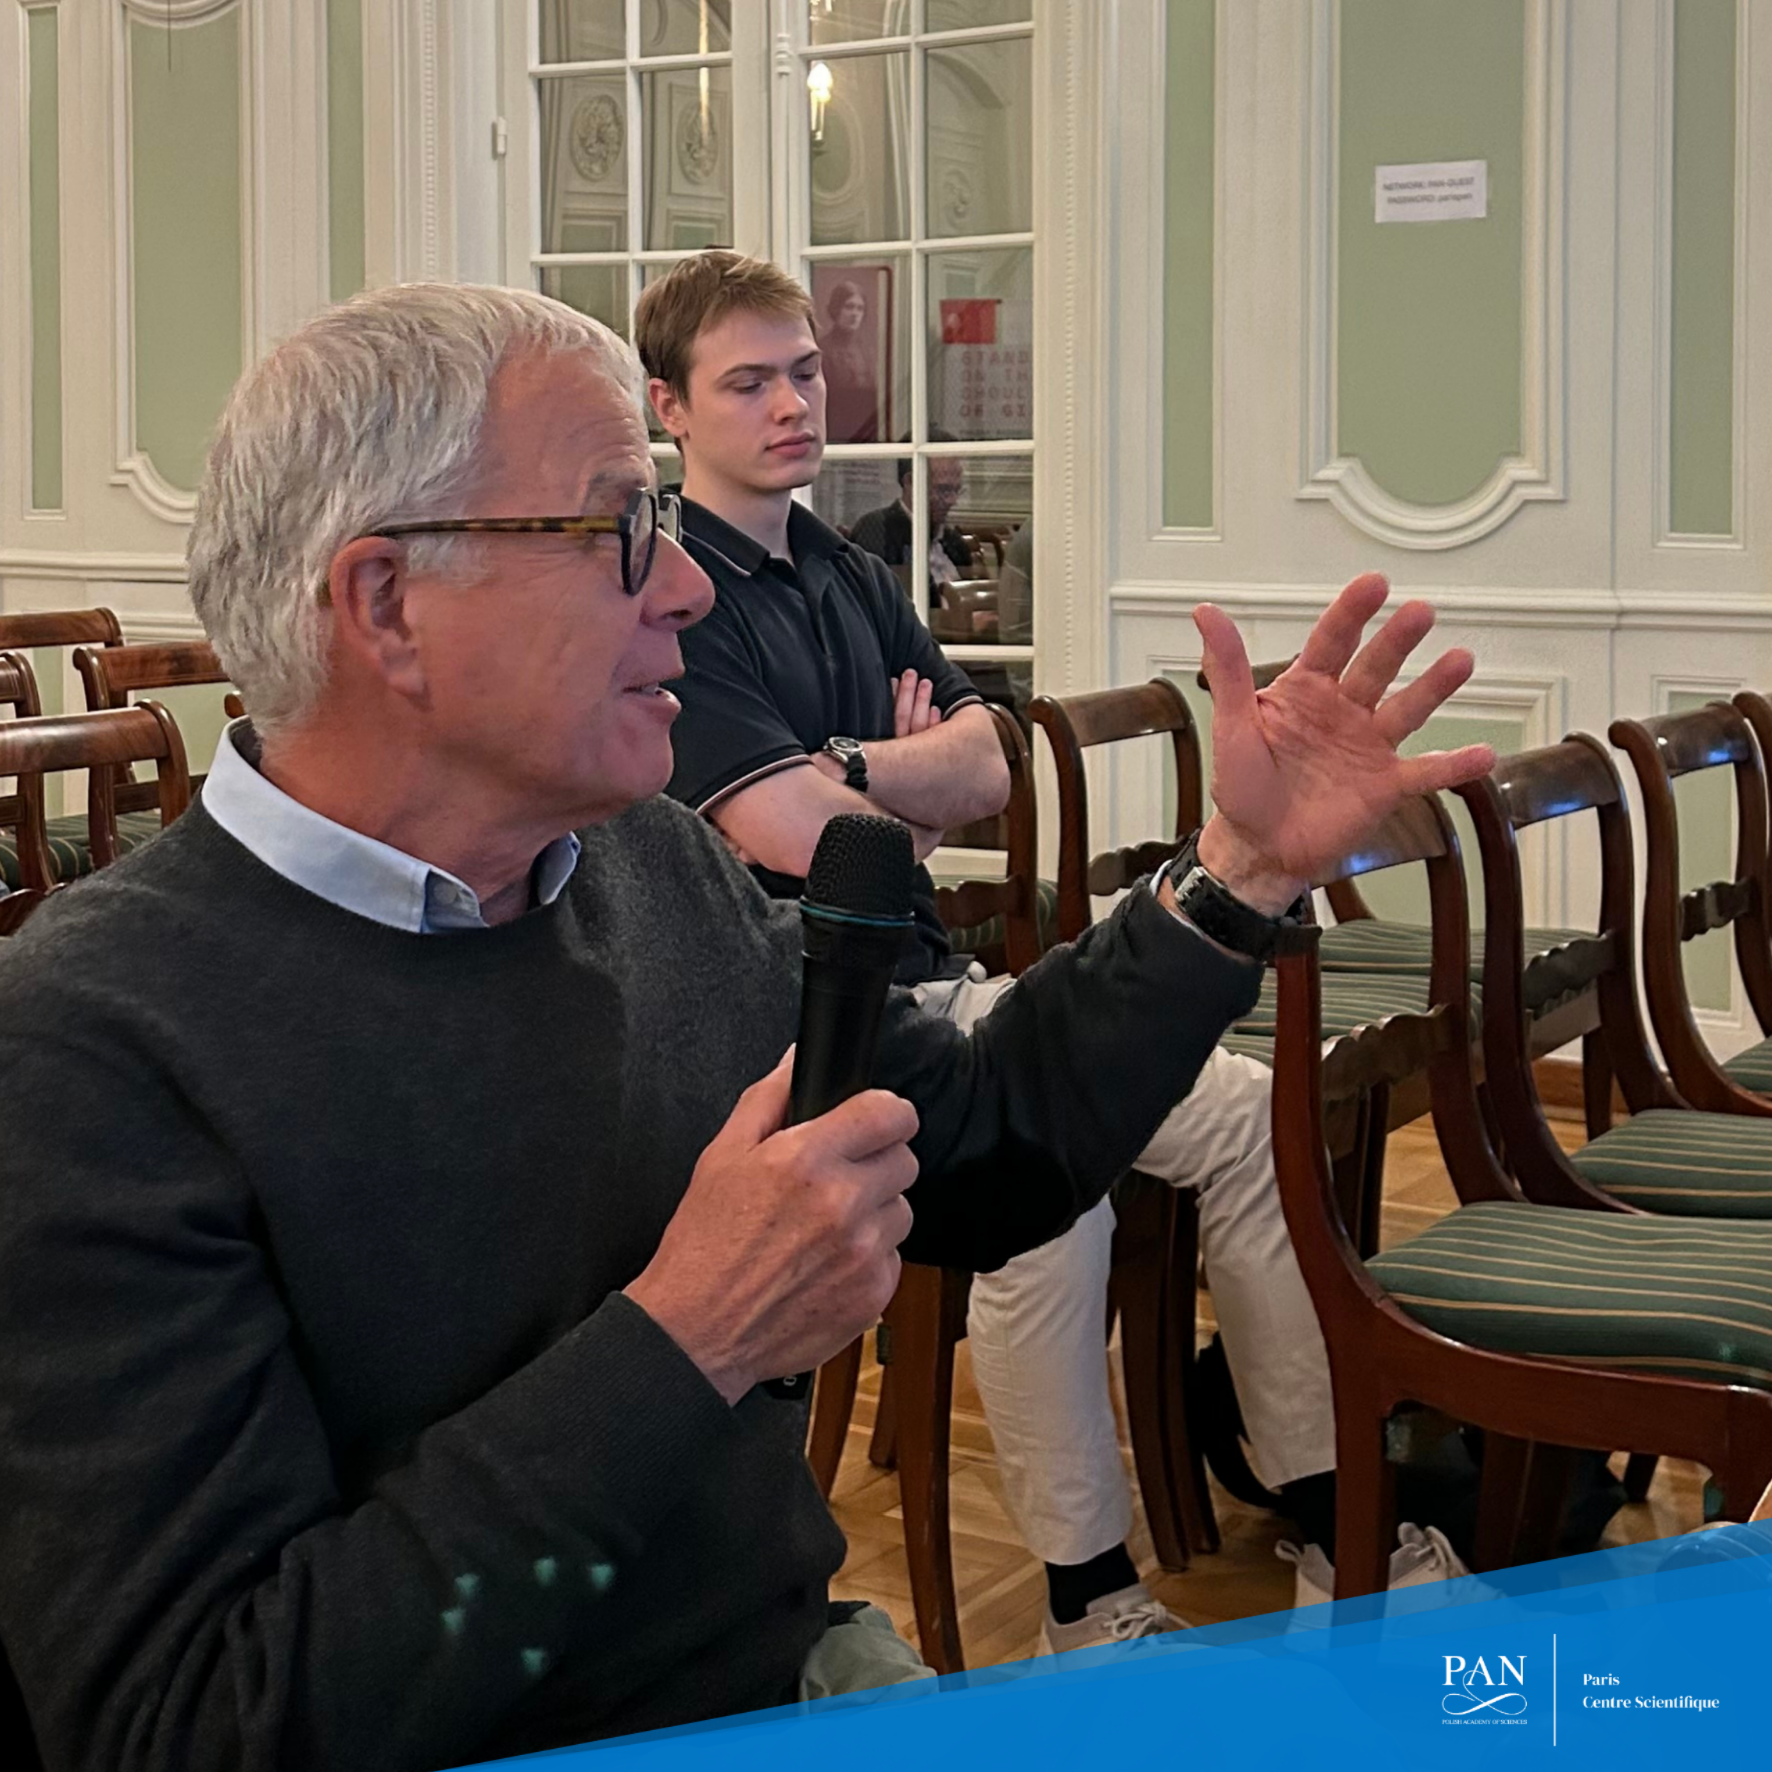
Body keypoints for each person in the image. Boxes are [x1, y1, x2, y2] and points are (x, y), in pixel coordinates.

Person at [0, 281, 1488, 1771]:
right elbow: (195, 1720)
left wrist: (1236, 877)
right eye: (616, 529)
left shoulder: (643, 862)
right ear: (386, 603)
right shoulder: (90, 1047)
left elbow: (988, 1141)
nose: (686, 588)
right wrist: (690, 1334)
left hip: (790, 1671)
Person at [635, 252, 1479, 1651]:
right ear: (670, 407)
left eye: (805, 371)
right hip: (798, 1022)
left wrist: (859, 773)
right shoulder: (676, 595)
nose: (793, 403)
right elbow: (796, 835)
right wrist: (894, 791)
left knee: (1252, 1120)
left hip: (937, 983)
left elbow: (988, 766)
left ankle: (1340, 1523)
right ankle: (1088, 1600)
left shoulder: (849, 570)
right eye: (749, 383)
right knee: (1047, 1191)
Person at [848, 449, 973, 588]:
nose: (952, 500)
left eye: (957, 490)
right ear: (910, 482)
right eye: (943, 490)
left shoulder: (953, 542)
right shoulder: (877, 530)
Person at [817, 277, 880, 444]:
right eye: (849, 307)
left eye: (860, 308)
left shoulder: (868, 351)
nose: (854, 314)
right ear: (836, 309)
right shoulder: (823, 350)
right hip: (836, 431)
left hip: (867, 431)